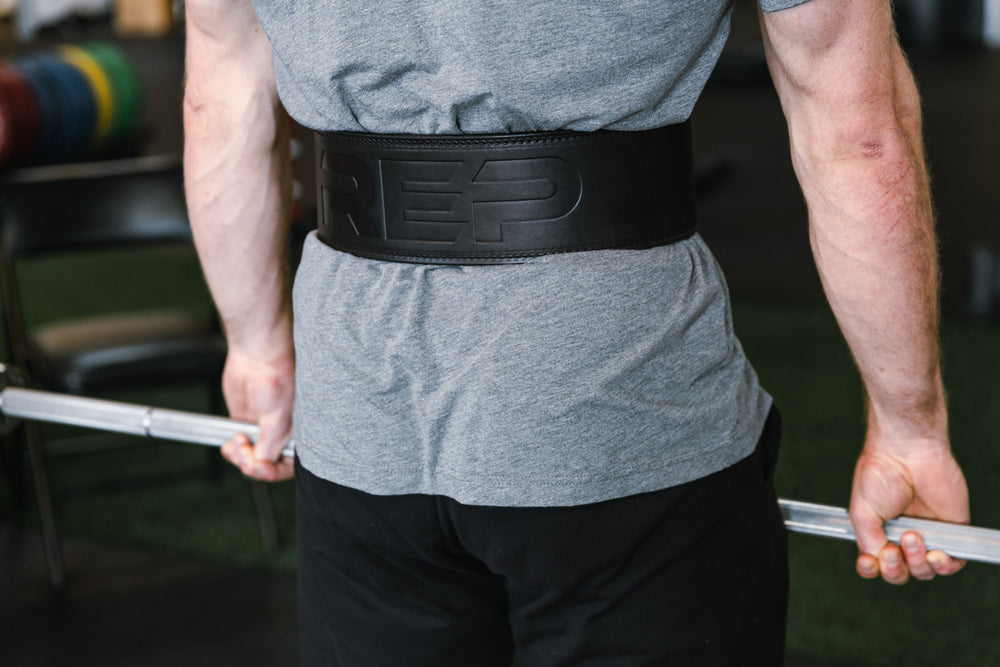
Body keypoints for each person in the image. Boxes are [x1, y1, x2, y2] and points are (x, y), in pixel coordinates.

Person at [183, 0, 970, 664]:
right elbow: (859, 134)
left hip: (360, 407)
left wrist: (256, 345)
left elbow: (220, 92)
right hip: (619, 417)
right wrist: (910, 426)